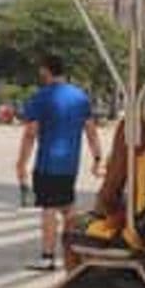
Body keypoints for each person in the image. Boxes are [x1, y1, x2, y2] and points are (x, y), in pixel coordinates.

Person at [16, 54, 103, 272]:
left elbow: (30, 134)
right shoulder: (80, 97)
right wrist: (97, 158)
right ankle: (73, 255)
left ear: (46, 70)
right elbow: (91, 131)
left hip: (48, 162)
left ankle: (47, 257)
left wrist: (21, 163)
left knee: (49, 209)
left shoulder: (41, 97)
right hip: (70, 163)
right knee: (68, 208)